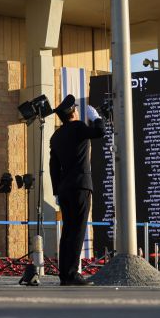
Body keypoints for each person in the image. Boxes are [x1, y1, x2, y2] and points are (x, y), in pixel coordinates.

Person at [48, 94, 104, 287]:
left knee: (67, 232)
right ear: (73, 113)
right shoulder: (78, 128)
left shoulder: (56, 136)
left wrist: (56, 190)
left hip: (64, 189)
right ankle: (72, 274)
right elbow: (99, 133)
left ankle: (65, 274)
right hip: (80, 186)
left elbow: (53, 166)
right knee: (78, 231)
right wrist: (96, 118)